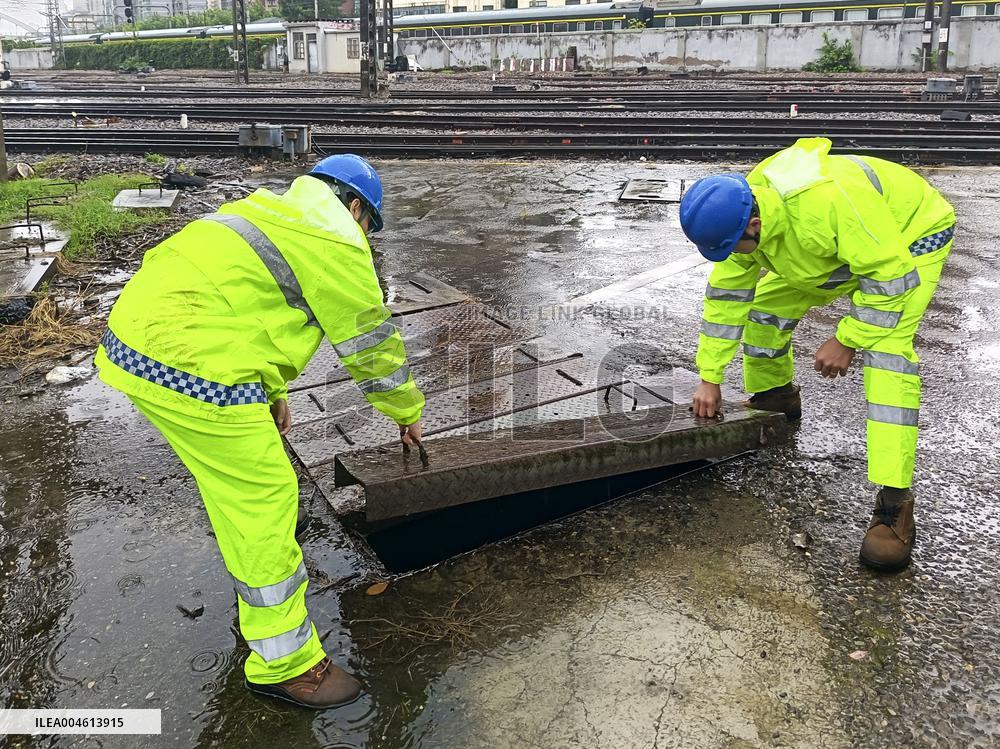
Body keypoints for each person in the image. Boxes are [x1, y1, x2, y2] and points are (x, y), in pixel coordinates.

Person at [94, 154, 425, 708]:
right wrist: (406, 411)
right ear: (355, 207)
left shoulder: (266, 210)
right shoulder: (338, 238)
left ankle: (258, 601)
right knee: (266, 496)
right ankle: (287, 665)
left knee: (234, 486)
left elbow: (242, 307)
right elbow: (371, 346)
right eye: (369, 222)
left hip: (135, 344)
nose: (366, 234)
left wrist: (270, 395)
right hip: (193, 368)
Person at [680, 137, 955, 573]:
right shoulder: (745, 212)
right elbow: (727, 300)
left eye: (734, 247)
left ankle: (894, 503)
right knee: (763, 313)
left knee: (888, 357)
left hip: (910, 236)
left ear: (754, 224)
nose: (731, 257)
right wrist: (709, 376)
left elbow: (891, 278)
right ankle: (776, 398)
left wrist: (847, 339)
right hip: (842, 247)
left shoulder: (827, 204)